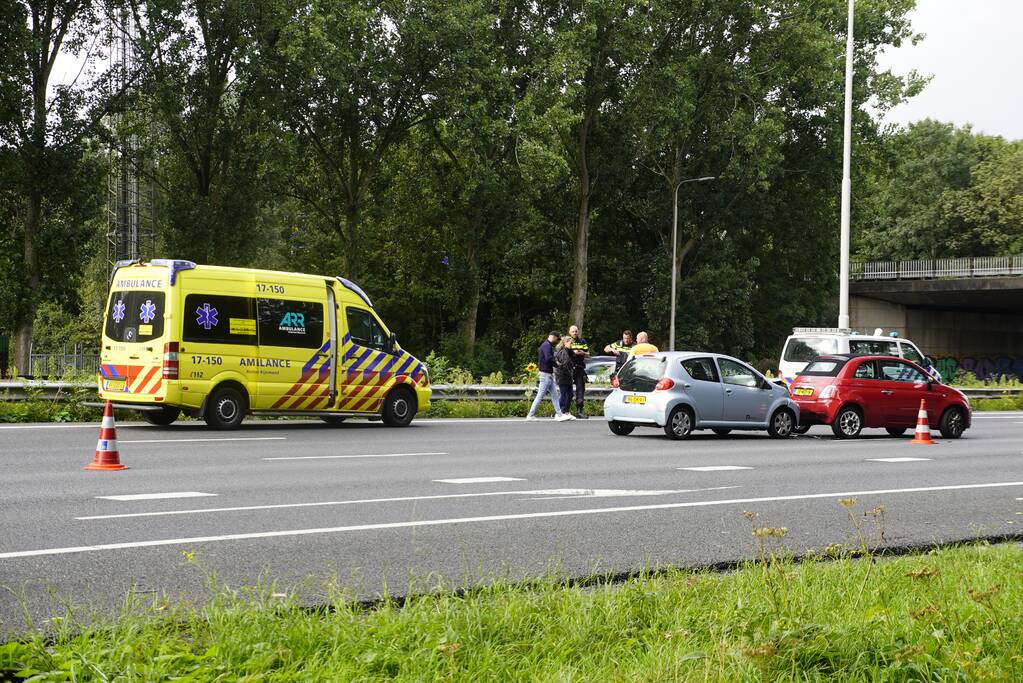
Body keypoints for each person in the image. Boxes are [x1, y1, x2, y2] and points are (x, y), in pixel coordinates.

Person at [526, 331, 574, 421]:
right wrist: (556, 364)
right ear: (553, 337)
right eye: (557, 339)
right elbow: (548, 358)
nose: (557, 341)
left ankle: (559, 415)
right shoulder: (546, 345)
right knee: (540, 395)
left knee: (555, 396)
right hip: (545, 375)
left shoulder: (546, 345)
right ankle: (530, 415)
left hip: (548, 375)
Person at [567, 325, 589, 418]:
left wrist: (582, 353)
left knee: (580, 390)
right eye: (573, 331)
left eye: (576, 331)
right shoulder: (567, 341)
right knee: (567, 390)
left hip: (580, 368)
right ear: (569, 332)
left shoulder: (582, 341)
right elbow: (562, 353)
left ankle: (579, 411)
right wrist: (572, 352)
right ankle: (565, 411)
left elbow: (588, 354)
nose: (575, 333)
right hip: (569, 369)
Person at [554, 336, 575, 415]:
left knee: (570, 394)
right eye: (570, 343)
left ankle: (566, 411)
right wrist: (570, 372)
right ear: (565, 343)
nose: (572, 344)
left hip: (568, 376)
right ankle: (558, 412)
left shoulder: (569, 351)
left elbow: (572, 361)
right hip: (562, 376)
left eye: (572, 343)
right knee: (564, 394)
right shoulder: (562, 352)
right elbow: (565, 365)